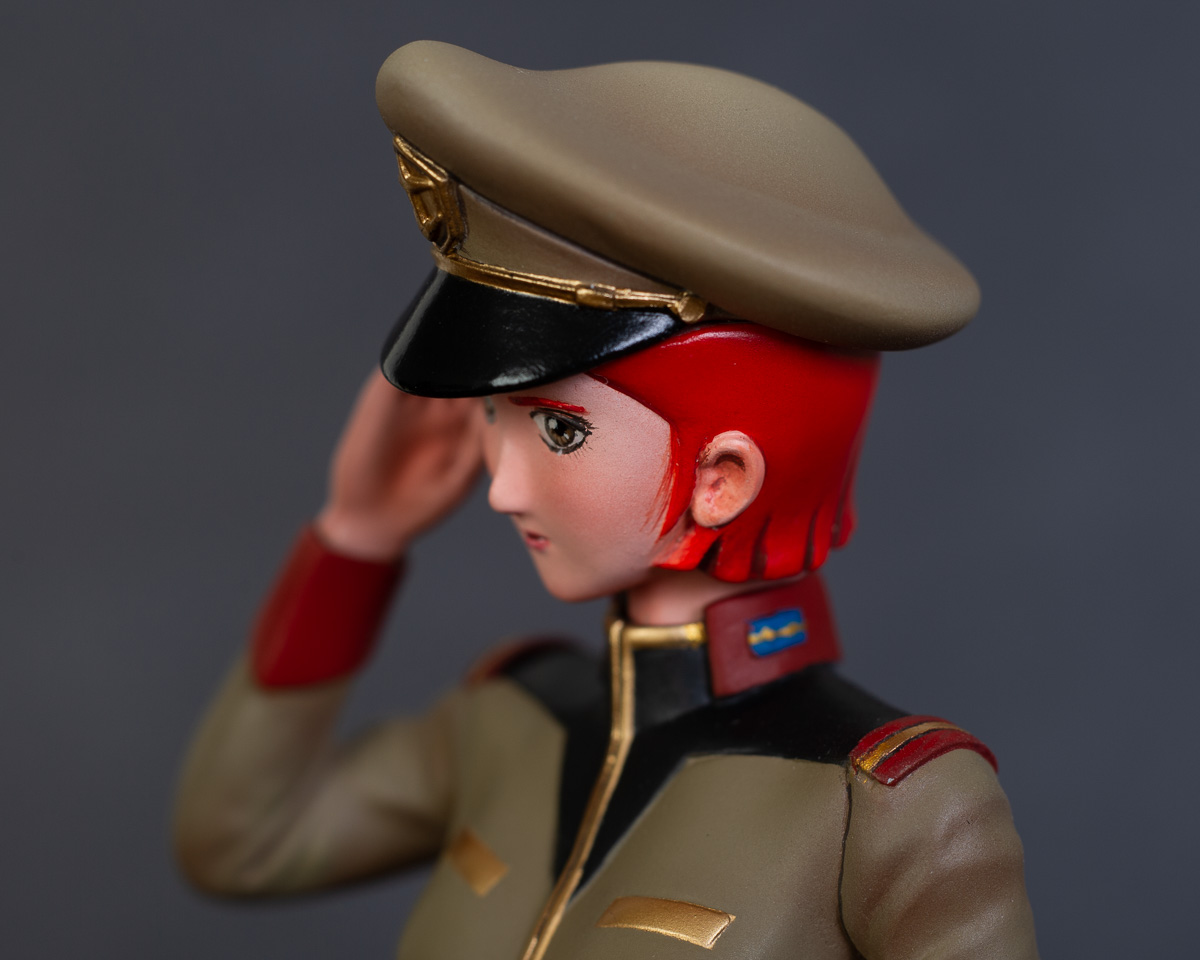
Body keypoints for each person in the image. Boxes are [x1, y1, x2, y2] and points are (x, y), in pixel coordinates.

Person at [174, 41, 1038, 959]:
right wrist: (357, 538)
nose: (501, 487)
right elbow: (243, 843)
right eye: (494, 416)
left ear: (722, 477)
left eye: (559, 431)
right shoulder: (512, 723)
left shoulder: (887, 806)